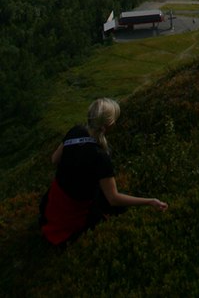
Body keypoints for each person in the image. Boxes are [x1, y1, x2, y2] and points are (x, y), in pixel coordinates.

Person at [40, 97, 168, 248]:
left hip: (52, 202)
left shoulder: (75, 131)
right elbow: (113, 199)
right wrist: (150, 201)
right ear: (109, 125)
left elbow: (54, 159)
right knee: (118, 209)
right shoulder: (100, 157)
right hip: (72, 214)